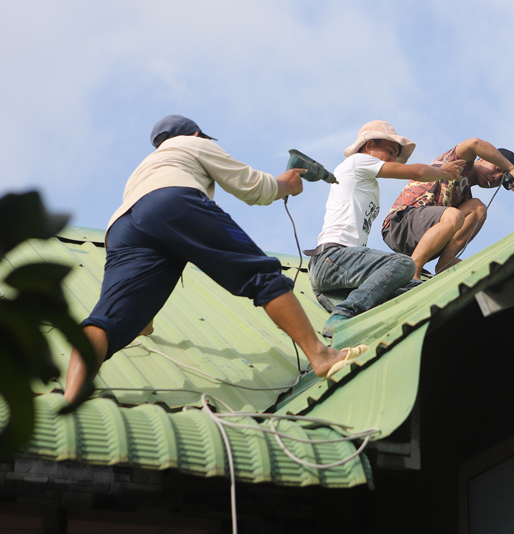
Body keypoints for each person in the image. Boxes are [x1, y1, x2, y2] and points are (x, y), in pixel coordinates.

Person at [63, 115, 367, 404]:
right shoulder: (194, 143)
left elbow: (153, 231)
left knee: (107, 319)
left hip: (121, 227)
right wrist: (286, 184)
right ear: (196, 134)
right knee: (262, 276)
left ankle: (70, 397)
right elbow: (253, 188)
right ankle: (321, 356)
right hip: (174, 201)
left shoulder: (144, 167)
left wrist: (142, 313)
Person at [305, 121, 464, 338]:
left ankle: (346, 311)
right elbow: (416, 171)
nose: (392, 159)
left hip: (339, 271)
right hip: (332, 257)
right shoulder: (357, 162)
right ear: (369, 145)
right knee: (402, 263)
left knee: (412, 289)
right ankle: (344, 313)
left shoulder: (367, 182)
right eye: (389, 151)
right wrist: (441, 171)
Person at [381, 138, 514, 279]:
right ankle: (413, 271)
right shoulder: (459, 162)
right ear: (482, 158)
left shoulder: (466, 199)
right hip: (400, 224)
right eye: (497, 169)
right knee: (454, 215)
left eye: (501, 178)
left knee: (478, 208)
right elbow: (474, 143)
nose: (496, 177)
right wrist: (511, 169)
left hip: (425, 239)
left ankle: (446, 261)